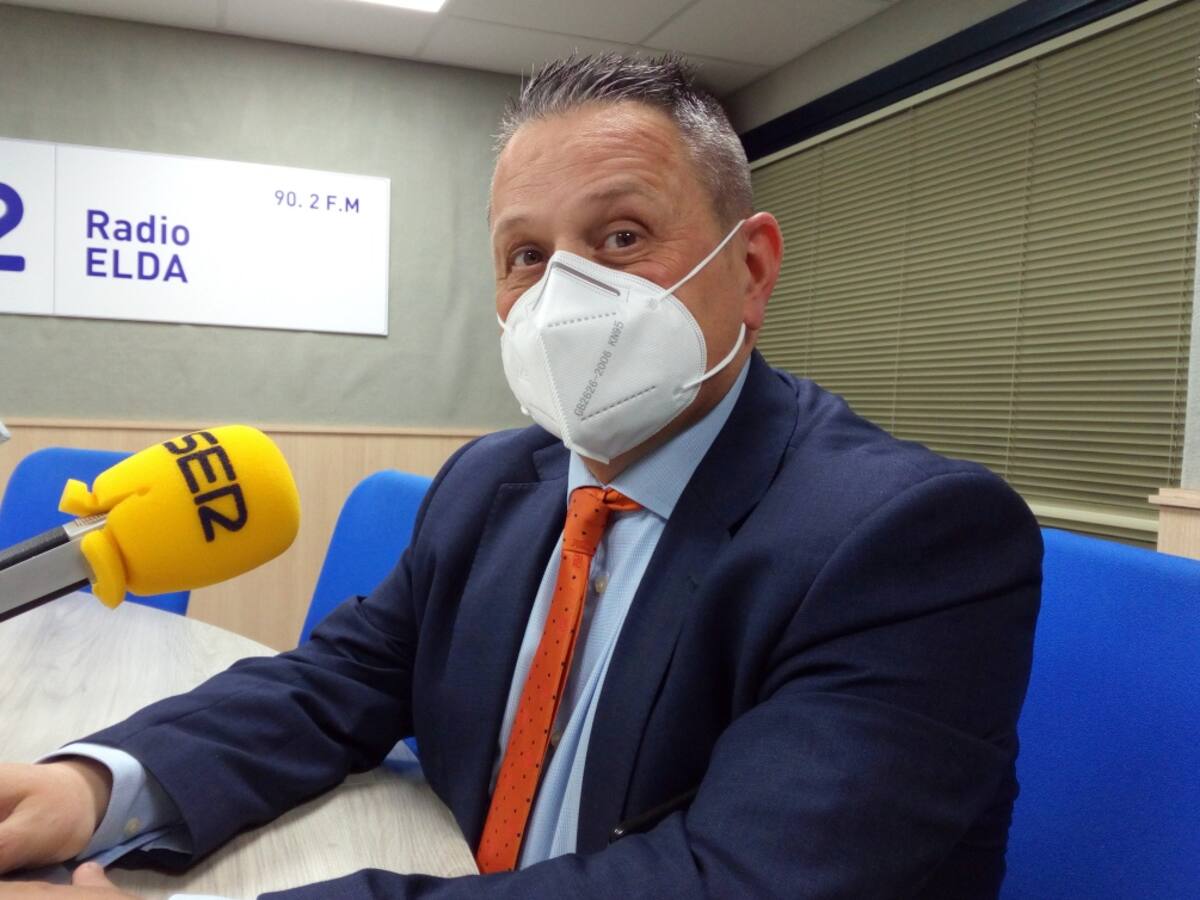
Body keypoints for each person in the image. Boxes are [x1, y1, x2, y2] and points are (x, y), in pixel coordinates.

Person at [0, 54, 1041, 899]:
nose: (564, 291)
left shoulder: (909, 539)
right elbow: (337, 683)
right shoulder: (492, 481)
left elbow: (735, 882)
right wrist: (95, 787)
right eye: (527, 255)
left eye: (621, 237)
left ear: (751, 268)